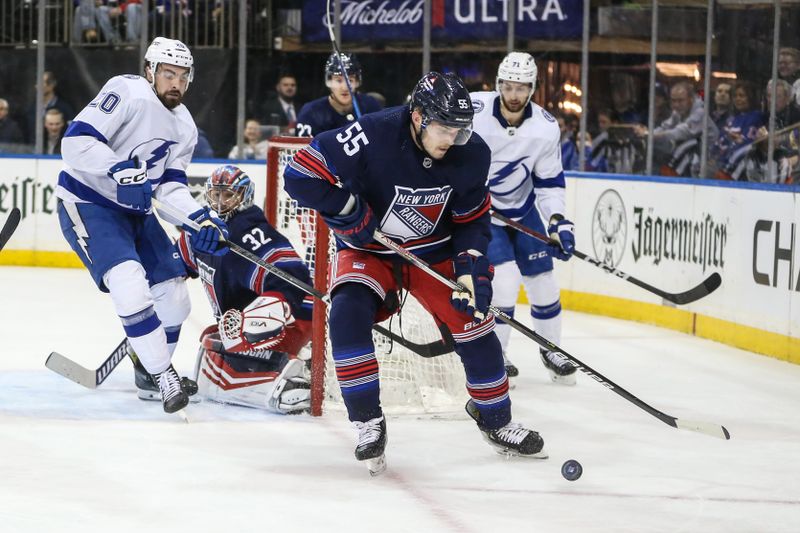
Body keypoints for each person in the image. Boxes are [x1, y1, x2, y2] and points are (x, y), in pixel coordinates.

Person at [284, 71, 548, 474]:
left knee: (475, 322)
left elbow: (473, 221)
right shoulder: (373, 132)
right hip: (369, 250)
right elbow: (299, 173)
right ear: (419, 117)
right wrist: (345, 209)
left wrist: (471, 266)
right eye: (444, 129)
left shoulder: (472, 152)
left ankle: (496, 419)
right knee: (346, 314)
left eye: (460, 131)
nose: (451, 140)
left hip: (435, 252)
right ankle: (368, 421)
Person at [55, 37, 229, 414]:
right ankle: (163, 375)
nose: (176, 83)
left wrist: (200, 220)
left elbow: (169, 188)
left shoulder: (185, 126)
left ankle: (147, 369)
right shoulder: (127, 90)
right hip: (89, 203)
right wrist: (118, 169)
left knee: (175, 298)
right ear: (150, 70)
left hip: (137, 214)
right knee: (129, 282)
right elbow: (76, 142)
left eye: (183, 76)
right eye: (168, 73)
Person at [470, 52, 577, 384]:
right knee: (502, 284)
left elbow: (548, 183)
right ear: (498, 84)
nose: (514, 95)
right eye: (508, 86)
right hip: (484, 212)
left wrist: (558, 220)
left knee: (543, 280)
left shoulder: (544, 128)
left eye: (522, 88)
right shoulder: (473, 113)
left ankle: (550, 348)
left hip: (523, 209)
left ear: (533, 88)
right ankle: (496, 355)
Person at [175, 165, 314, 413]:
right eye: (216, 195)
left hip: (295, 320)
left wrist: (259, 319)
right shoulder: (201, 230)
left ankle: (299, 370)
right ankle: (260, 367)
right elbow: (176, 264)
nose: (220, 202)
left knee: (236, 331)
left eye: (228, 195)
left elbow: (294, 278)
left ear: (244, 196)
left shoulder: (251, 232)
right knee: (214, 337)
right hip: (239, 325)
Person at [295, 52, 382, 137]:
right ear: (329, 82)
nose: (345, 87)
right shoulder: (311, 113)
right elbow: (303, 150)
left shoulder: (371, 106)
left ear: (357, 82)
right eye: (338, 80)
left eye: (350, 80)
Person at [26, 71, 75, 144]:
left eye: (42, 83)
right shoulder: (31, 109)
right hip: (34, 150)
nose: (38, 86)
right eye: (37, 83)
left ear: (52, 84)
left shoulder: (65, 109)